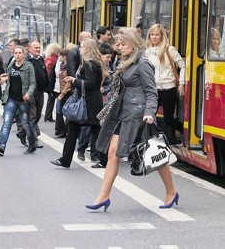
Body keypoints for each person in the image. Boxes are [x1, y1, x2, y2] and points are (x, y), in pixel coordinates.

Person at [89, 27, 179, 211]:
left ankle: (171, 191)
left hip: (138, 115)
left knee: (153, 153)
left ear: (133, 44)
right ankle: (103, 196)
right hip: (123, 114)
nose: (118, 47)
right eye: (118, 44)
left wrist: (149, 113)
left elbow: (151, 92)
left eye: (122, 44)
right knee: (113, 153)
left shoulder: (142, 64)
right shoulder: (126, 62)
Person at [50, 38, 106, 168]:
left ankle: (66, 160)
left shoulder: (89, 62)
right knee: (89, 130)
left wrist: (75, 80)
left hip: (88, 102)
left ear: (86, 48)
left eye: (81, 47)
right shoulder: (96, 61)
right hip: (92, 101)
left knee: (91, 131)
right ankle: (66, 159)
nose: (79, 49)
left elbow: (90, 83)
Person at [0, 46, 38, 156]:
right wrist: (4, 79)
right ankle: (1, 147)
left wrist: (28, 94)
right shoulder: (11, 65)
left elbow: (32, 83)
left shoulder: (28, 66)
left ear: (23, 54)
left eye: (19, 53)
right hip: (11, 99)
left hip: (23, 100)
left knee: (27, 124)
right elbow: (9, 77)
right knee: (7, 123)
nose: (17, 55)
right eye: (15, 53)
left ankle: (32, 145)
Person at [144, 24, 185, 145]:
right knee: (149, 116)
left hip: (169, 88)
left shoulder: (170, 49)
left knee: (168, 118)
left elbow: (183, 66)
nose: (154, 37)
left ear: (162, 36)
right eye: (152, 35)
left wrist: (181, 83)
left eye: (157, 35)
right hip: (153, 89)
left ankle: (183, 130)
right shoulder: (148, 52)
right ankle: (151, 139)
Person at [43, 43, 61, 122]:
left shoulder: (49, 57)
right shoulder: (53, 59)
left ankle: (48, 115)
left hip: (50, 81)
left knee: (51, 99)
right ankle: (48, 116)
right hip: (52, 81)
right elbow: (48, 70)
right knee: (51, 99)